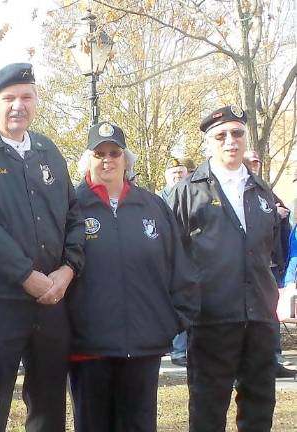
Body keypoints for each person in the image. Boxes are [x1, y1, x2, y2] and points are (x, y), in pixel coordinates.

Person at [0, 63, 85, 432]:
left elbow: (74, 215)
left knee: (49, 408)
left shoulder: (47, 150)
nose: (17, 106)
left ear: (36, 101)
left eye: (26, 97)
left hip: (53, 302)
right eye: (8, 98)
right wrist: (26, 276)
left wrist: (67, 269)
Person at [68, 122, 198, 431]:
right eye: (99, 154)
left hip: (143, 347)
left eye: (115, 153)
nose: (107, 160)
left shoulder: (153, 207)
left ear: (127, 159)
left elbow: (180, 265)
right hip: (89, 348)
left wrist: (175, 320)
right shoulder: (70, 206)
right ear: (89, 159)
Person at [170, 105, 280, 431]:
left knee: (260, 407)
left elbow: (271, 251)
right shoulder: (187, 192)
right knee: (207, 408)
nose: (230, 140)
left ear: (246, 138)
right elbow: (169, 256)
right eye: (221, 135)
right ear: (208, 143)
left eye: (237, 133)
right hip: (211, 318)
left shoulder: (262, 192)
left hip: (259, 316)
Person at [243, 150, 295, 378]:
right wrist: (275, 213)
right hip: (245, 267)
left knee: (270, 314)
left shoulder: (265, 190)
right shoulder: (234, 191)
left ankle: (273, 360)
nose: (254, 166)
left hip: (271, 265)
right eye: (250, 162)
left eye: (257, 162)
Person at [158, 157, 192, 367]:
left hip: (189, 256)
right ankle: (177, 350)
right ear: (166, 176)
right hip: (165, 258)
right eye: (174, 173)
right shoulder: (156, 200)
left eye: (181, 172)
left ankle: (185, 349)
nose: (178, 176)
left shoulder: (192, 194)